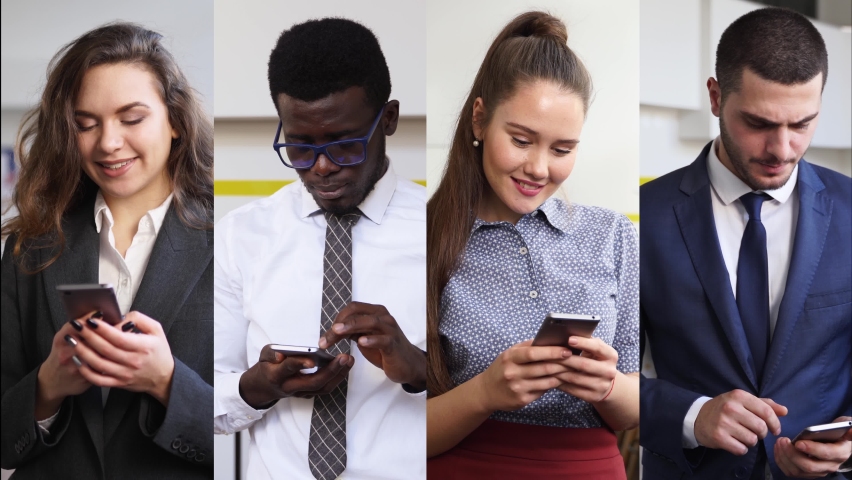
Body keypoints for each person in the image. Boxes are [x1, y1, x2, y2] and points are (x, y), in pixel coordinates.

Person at [640, 7, 852, 480]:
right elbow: (606, 386)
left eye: (801, 124)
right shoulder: (644, 217)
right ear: (715, 97)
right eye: (758, 123)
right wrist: (692, 416)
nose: (782, 150)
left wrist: (849, 441)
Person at [425, 11, 639, 479]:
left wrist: (610, 386)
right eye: (521, 140)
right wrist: (483, 393)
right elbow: (395, 430)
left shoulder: (613, 235)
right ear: (479, 120)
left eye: (562, 150)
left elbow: (638, 407)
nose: (539, 168)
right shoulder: (423, 239)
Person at [213, 18, 426, 480]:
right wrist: (257, 386)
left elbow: (490, 392)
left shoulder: (440, 227)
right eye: (301, 147)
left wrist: (420, 370)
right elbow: (200, 398)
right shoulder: (240, 236)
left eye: (344, 145)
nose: (322, 167)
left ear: (387, 119)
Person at [0, 22, 214, 479]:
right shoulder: (30, 246)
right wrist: (47, 387)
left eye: (131, 118)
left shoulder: (231, 239)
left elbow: (260, 435)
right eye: (85, 124)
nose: (108, 143)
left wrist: (167, 383)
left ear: (175, 120)